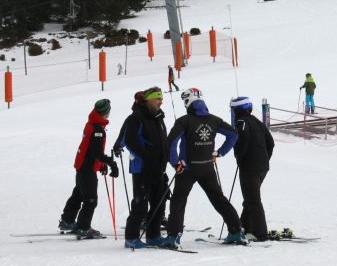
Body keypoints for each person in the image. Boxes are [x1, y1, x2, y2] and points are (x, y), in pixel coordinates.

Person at [162, 87, 244, 248]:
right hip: (207, 168)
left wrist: (175, 163)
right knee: (218, 199)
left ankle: (173, 237)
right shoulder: (214, 120)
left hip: (186, 169)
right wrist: (220, 153)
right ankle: (236, 231)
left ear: (188, 101)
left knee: (178, 202)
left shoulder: (184, 121)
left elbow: (170, 143)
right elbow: (233, 134)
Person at [114, 87, 170, 249]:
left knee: (159, 202)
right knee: (140, 203)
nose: (161, 102)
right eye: (158, 99)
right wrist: (147, 157)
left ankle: (153, 236)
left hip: (159, 168)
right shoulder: (136, 117)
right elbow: (130, 140)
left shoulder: (158, 117)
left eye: (161, 99)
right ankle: (131, 237)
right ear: (149, 100)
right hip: (142, 168)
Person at [59, 99, 119, 239]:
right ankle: (83, 227)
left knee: (79, 194)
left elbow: (91, 149)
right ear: (106, 112)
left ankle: (67, 221)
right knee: (90, 199)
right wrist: (110, 163)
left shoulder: (92, 123)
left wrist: (101, 165)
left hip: (82, 165)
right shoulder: (97, 128)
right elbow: (96, 152)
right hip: (87, 168)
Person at [230, 96, 275, 242]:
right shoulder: (257, 121)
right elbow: (271, 142)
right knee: (250, 199)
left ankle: (260, 233)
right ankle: (244, 228)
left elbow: (243, 140)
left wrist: (239, 156)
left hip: (249, 167)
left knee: (253, 200)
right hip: (262, 167)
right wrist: (264, 159)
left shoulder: (241, 122)